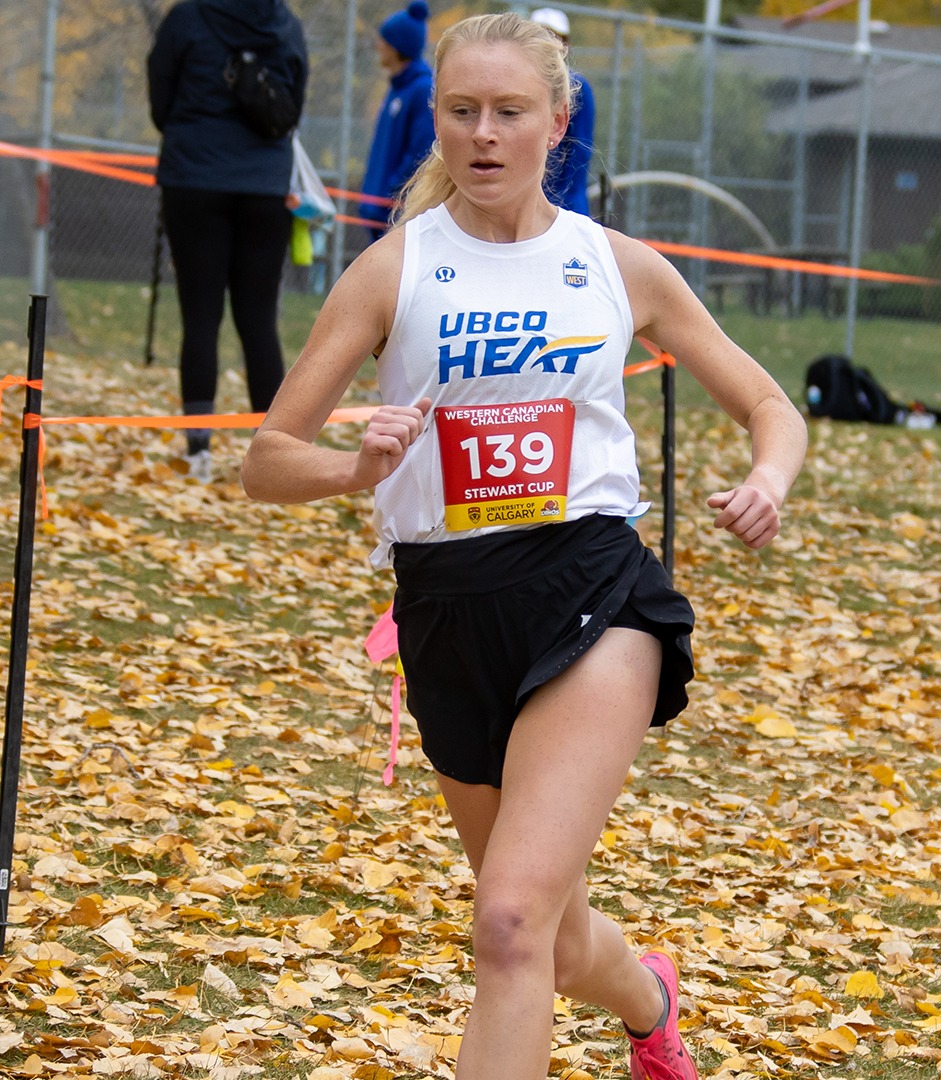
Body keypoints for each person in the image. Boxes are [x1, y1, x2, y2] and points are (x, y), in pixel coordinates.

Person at [239, 14, 806, 1079]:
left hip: (590, 591)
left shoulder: (614, 265)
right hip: (447, 610)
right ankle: (648, 997)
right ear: (435, 120)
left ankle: (637, 1001)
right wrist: (354, 466)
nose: (484, 135)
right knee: (547, 934)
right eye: (462, 113)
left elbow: (769, 403)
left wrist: (768, 481)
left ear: (559, 120)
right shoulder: (392, 272)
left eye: (509, 113)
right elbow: (267, 460)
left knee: (505, 924)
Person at [146, 0, 308, 483]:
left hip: (193, 179)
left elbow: (160, 98)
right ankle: (274, 455)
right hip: (264, 185)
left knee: (200, 316)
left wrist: (193, 134)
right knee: (259, 319)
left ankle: (198, 450)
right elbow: (292, 106)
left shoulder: (187, 18)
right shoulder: (284, 24)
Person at [360, 1, 436, 237]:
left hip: (394, 212)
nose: (378, 46)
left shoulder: (421, 89)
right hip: (377, 209)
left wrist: (391, 194)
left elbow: (419, 154)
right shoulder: (397, 89)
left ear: (397, 46)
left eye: (384, 41)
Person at [530, 8, 598, 218]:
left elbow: (580, 150)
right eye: (541, 36)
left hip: (564, 202)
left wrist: (559, 203)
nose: (549, 44)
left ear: (566, 44)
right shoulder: (520, 82)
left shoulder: (576, 86)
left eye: (556, 38)